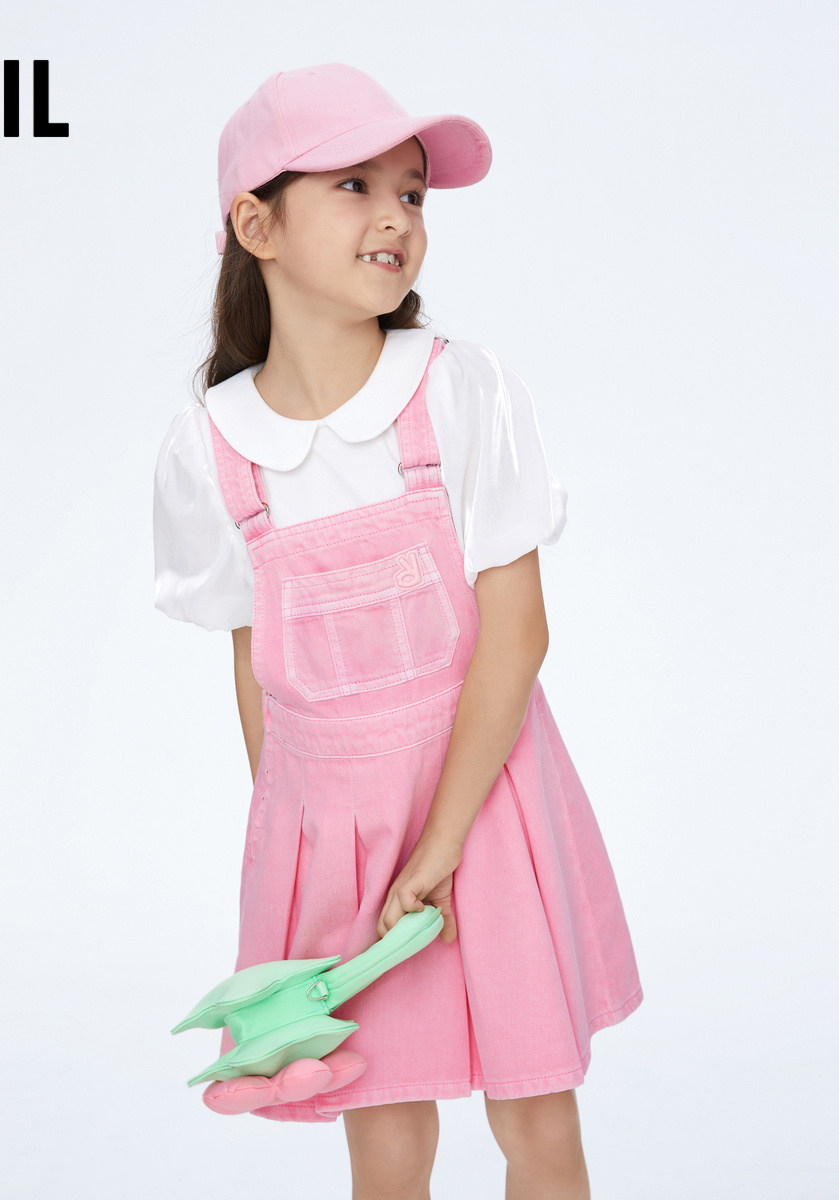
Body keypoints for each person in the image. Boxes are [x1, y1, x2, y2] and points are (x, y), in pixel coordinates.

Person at [153, 62, 643, 1200]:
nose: (396, 217)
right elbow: (257, 670)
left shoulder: (460, 392)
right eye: (355, 185)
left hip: (487, 805)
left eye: (412, 194)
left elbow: (515, 640)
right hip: (342, 846)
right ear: (257, 226)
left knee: (535, 1114)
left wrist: (442, 843)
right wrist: (302, 856)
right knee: (382, 1133)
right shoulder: (210, 449)